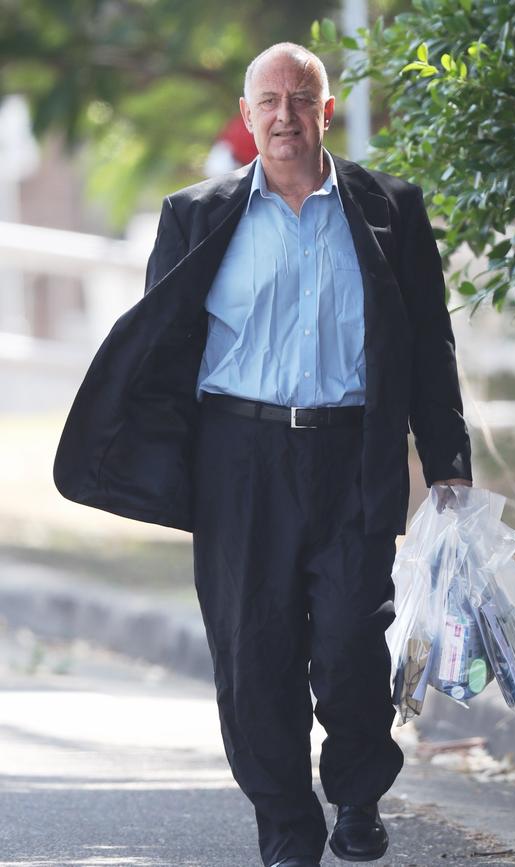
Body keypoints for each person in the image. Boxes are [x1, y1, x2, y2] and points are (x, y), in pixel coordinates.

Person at [53, 42, 472, 867]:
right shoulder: (195, 215)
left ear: (326, 107)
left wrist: (450, 461)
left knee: (354, 642)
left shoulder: (391, 207)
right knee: (254, 655)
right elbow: (160, 352)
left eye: (300, 98)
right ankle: (286, 829)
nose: (285, 114)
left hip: (353, 454)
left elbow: (430, 345)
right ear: (247, 118)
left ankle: (356, 790)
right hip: (238, 462)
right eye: (269, 101)